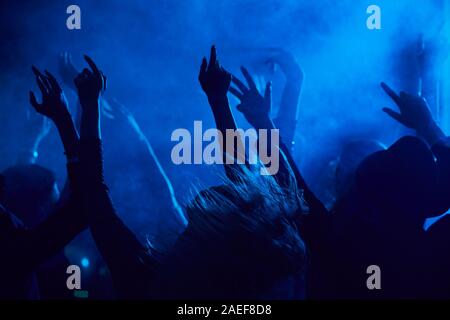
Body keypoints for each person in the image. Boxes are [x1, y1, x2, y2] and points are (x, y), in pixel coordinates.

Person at [76, 48, 307, 299]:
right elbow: (248, 186)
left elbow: (95, 197)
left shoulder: (145, 281)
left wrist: (87, 108)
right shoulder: (259, 272)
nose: (188, 217)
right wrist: (221, 102)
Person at [0, 66, 86, 299]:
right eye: (55, 193)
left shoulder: (11, 243)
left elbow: (17, 191)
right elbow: (83, 191)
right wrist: (83, 104)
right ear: (43, 209)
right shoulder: (61, 281)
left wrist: (31, 145)